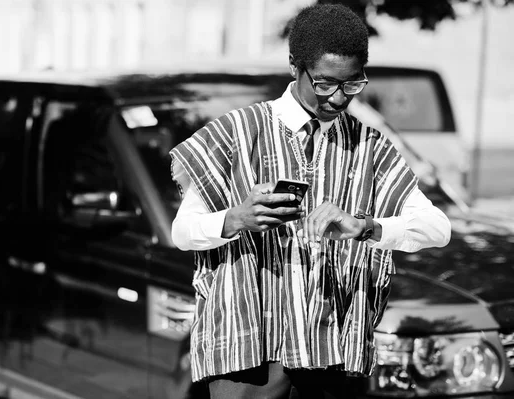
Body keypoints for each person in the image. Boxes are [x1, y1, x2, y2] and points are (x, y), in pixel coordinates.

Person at [169, 4, 451, 398]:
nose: (338, 98)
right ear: (293, 67)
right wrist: (235, 220)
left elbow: (437, 227)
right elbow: (182, 232)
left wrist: (366, 227)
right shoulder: (236, 132)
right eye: (324, 84)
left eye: (352, 84)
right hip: (249, 351)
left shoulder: (368, 145)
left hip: (330, 351)